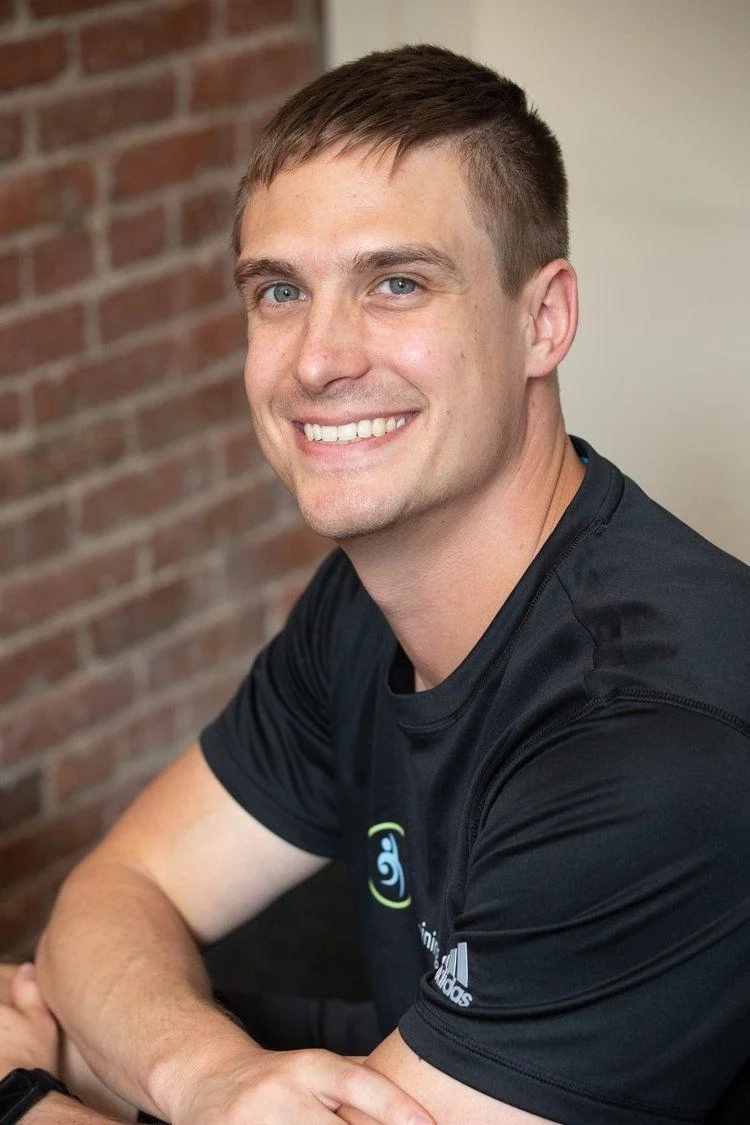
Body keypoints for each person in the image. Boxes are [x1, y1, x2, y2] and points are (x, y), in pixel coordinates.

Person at [3, 43, 749, 1125]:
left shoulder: (650, 746)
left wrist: (26, 1094)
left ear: (543, 320)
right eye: (278, 291)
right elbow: (121, 893)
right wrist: (204, 1081)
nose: (317, 359)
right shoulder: (365, 604)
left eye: (396, 283)